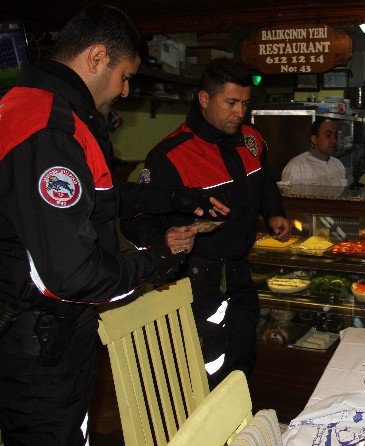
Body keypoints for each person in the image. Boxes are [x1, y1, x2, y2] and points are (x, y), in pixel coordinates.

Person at [0, 5, 228, 445]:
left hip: (48, 334)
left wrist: (179, 197)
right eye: (125, 75)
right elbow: (74, 273)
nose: (125, 91)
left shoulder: (51, 109)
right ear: (97, 57)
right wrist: (154, 264)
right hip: (38, 343)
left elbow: (101, 197)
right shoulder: (48, 128)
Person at [120, 57, 290, 388]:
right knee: (205, 368)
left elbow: (266, 183)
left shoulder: (250, 139)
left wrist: (274, 212)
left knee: (242, 358)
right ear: (204, 99)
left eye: (244, 103)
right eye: (231, 103)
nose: (240, 112)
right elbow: (133, 221)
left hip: (240, 271)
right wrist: (165, 236)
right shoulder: (170, 156)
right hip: (197, 280)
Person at [280, 117, 348, 186]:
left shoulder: (338, 165)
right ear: (314, 139)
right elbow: (286, 195)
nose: (334, 140)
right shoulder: (296, 166)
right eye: (328, 135)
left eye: (336, 136)